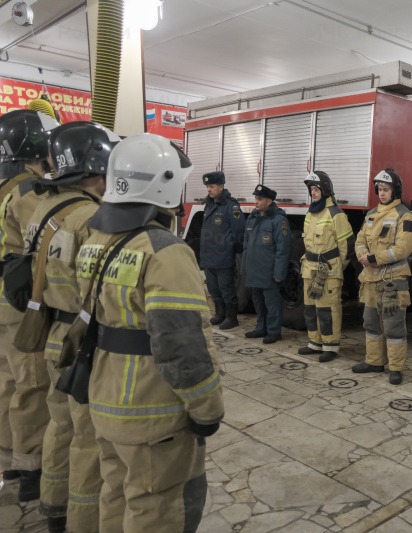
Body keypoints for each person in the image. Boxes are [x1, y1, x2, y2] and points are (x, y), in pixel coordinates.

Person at [76, 133, 224, 531]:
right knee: (158, 510)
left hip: (103, 401)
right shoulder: (166, 252)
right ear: (165, 184)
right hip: (152, 414)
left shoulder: (94, 239)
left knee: (116, 497)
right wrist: (207, 408)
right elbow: (183, 346)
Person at [25, 121, 119, 533]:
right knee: (87, 437)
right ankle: (81, 521)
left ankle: (52, 505)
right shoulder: (92, 217)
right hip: (82, 340)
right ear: (98, 166)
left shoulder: (41, 207)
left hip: (51, 333)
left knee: (60, 423)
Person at [0, 108, 59, 501]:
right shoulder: (28, 191)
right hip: (21, 304)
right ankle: (32, 469)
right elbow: (47, 245)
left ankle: (12, 458)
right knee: (33, 382)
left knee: (10, 380)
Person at [351, 169, 412, 385]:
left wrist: (375, 258)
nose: (381, 193)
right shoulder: (370, 215)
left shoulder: (405, 216)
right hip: (369, 279)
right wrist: (363, 255)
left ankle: (396, 368)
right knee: (371, 323)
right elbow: (359, 240)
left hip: (393, 280)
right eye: (379, 189)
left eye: (386, 189)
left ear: (395, 190)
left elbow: (402, 249)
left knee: (393, 325)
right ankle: (374, 362)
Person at [298, 171, 353, 362]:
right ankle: (315, 342)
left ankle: (330, 345)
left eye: (316, 189)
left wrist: (338, 268)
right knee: (310, 307)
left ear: (325, 190)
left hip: (328, 272)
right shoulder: (310, 213)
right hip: (309, 269)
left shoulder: (336, 214)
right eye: (311, 190)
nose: (313, 193)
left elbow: (347, 246)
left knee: (328, 309)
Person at [242, 184, 290, 344]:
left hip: (268, 271)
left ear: (269, 201)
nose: (256, 202)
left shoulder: (279, 220)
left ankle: (274, 331)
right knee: (258, 302)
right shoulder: (253, 218)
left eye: (259, 199)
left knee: (272, 303)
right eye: (255, 198)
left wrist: (279, 273)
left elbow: (283, 250)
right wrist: (244, 267)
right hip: (254, 270)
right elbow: (246, 245)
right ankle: (261, 328)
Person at [199, 171, 245, 330]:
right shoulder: (209, 205)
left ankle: (231, 317)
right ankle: (220, 314)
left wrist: (233, 251)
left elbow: (239, 232)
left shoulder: (231, 206)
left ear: (221, 186)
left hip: (223, 256)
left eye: (211, 186)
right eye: (207, 186)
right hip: (209, 255)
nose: (209, 190)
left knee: (226, 287)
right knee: (213, 287)